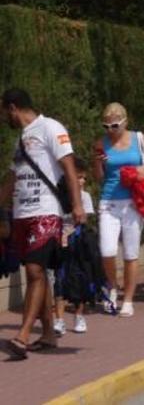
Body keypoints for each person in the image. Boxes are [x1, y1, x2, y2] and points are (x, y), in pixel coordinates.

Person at [2, 88, 86, 359]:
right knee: (34, 274)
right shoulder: (22, 139)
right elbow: (12, 179)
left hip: (46, 212)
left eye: (4, 112)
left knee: (36, 271)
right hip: (22, 215)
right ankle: (48, 333)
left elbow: (69, 167)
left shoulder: (50, 127)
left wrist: (77, 204)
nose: (4, 118)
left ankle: (23, 336)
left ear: (13, 108)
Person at [92, 102, 144, 317]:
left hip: (133, 201)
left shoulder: (139, 139)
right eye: (106, 126)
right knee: (107, 250)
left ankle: (128, 299)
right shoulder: (101, 143)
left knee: (130, 253)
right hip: (109, 201)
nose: (110, 131)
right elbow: (99, 178)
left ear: (125, 122)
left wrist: (143, 168)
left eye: (115, 126)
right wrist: (97, 162)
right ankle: (112, 285)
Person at [53, 157, 94, 334]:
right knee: (59, 282)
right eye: (78, 177)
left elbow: (83, 220)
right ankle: (59, 320)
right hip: (60, 246)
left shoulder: (85, 197)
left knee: (79, 280)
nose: (82, 181)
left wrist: (69, 235)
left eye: (84, 178)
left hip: (77, 245)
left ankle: (79, 316)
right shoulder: (58, 197)